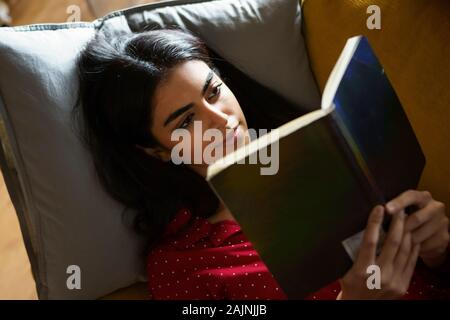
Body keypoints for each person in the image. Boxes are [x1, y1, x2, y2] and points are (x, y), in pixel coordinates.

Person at [73, 29, 450, 300]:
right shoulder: (183, 267)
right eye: (186, 121)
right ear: (155, 151)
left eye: (214, 91)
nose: (221, 120)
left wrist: (439, 250)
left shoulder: (331, 155)